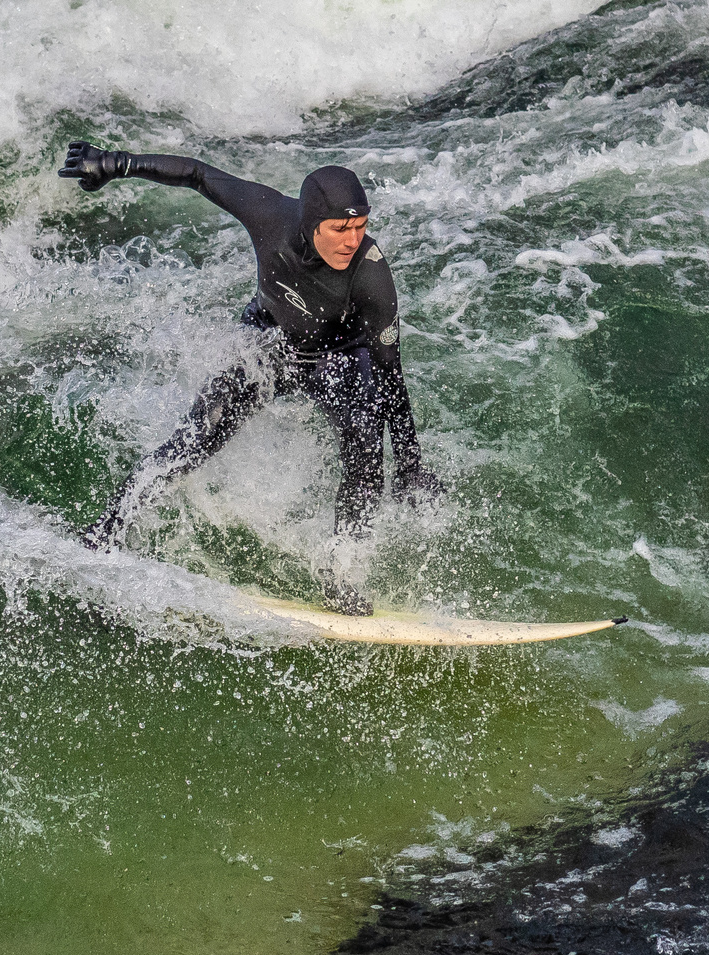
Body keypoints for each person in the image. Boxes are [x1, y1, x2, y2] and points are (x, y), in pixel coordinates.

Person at [58, 140, 440, 614]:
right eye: (341, 228)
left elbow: (390, 377)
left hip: (336, 359)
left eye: (361, 227)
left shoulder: (370, 276)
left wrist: (409, 465)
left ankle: (341, 577)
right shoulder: (268, 214)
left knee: (366, 446)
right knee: (193, 439)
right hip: (270, 340)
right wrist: (119, 165)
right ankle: (106, 531)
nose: (352, 240)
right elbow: (199, 174)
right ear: (309, 222)